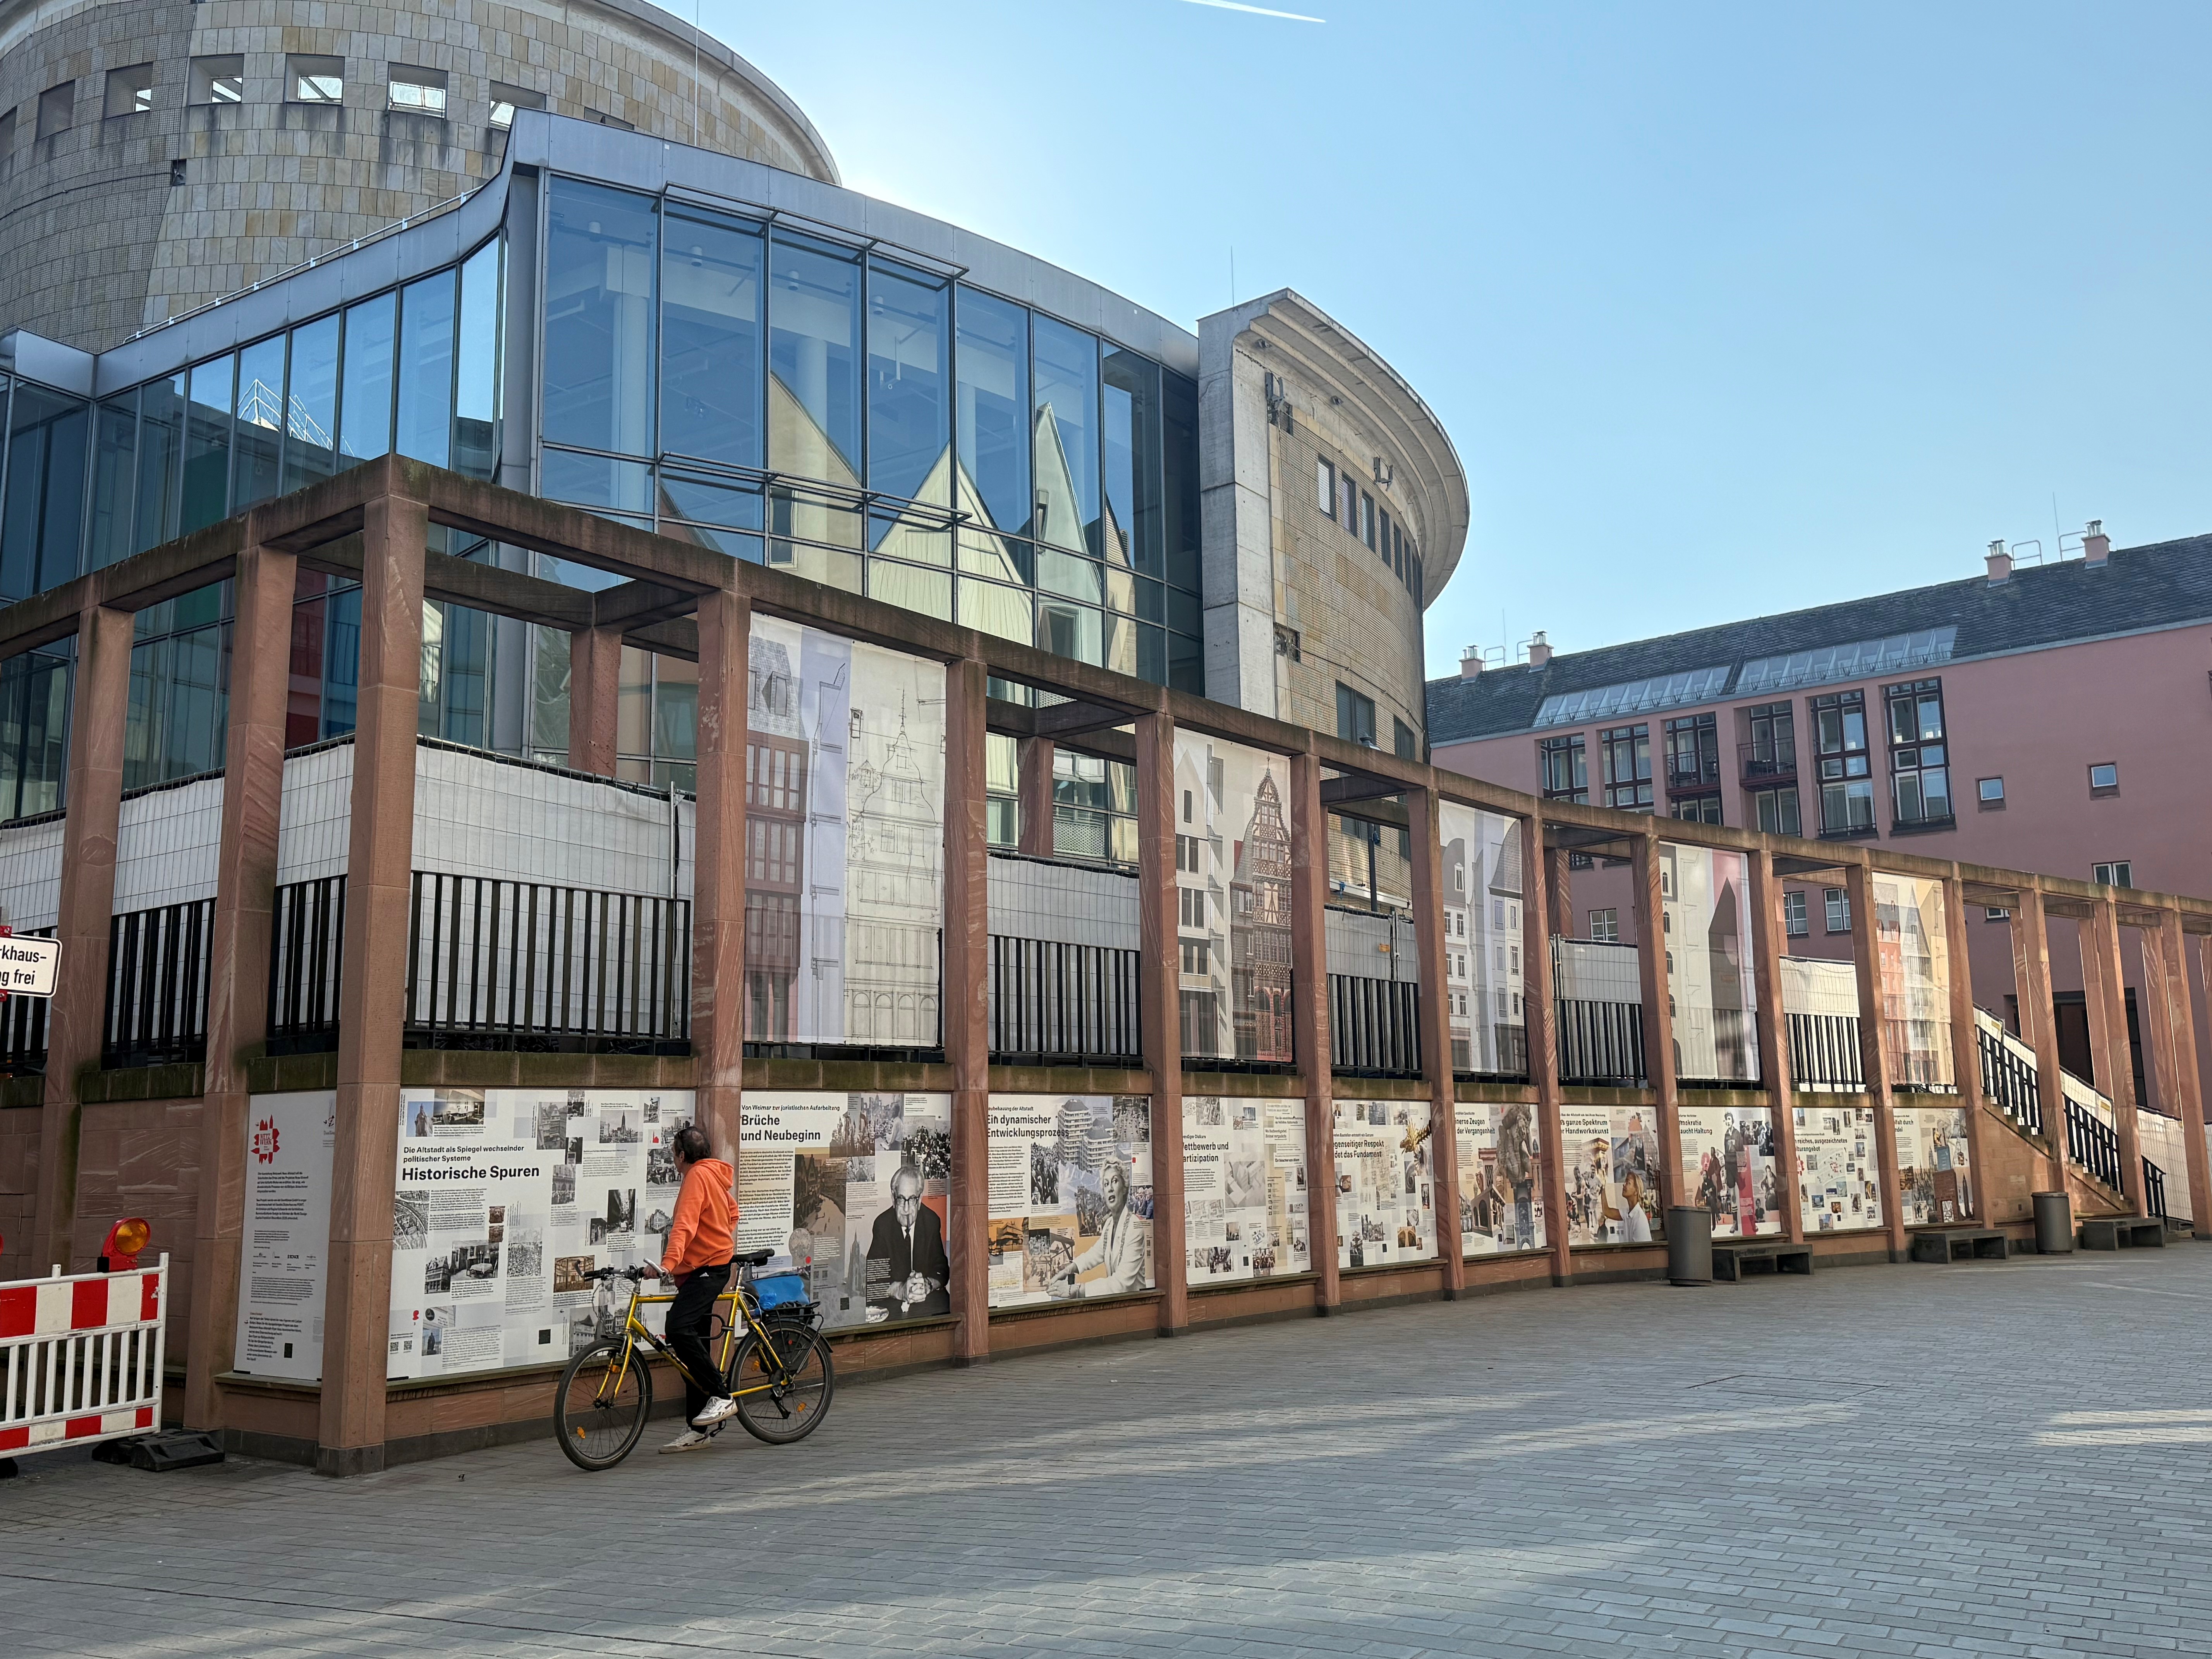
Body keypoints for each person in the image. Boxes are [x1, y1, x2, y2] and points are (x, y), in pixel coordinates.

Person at [650, 1123, 738, 1454]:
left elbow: (684, 1224)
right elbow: (733, 1212)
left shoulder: (697, 1177)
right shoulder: (715, 1174)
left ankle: (722, 1395)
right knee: (694, 1348)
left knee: (677, 1327)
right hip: (707, 1266)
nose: (674, 1161)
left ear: (682, 1156)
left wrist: (668, 1264)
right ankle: (698, 1430)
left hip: (707, 1270)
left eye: (674, 1155)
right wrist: (717, 1241)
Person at [864, 1165, 950, 1319]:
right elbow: (873, 1280)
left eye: (912, 1200)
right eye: (901, 1199)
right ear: (893, 1198)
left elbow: (942, 1269)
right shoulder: (882, 1225)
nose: (906, 1209)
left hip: (927, 1308)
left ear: (920, 1199)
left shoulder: (931, 1221)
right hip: (893, 1312)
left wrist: (927, 1285)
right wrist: (900, 1290)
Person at [1051, 1163, 1147, 1298]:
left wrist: (1077, 1290)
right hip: (1118, 1304)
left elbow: (1121, 1284)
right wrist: (1071, 1267)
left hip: (1136, 1307)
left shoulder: (1134, 1227)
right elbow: (1095, 1254)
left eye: (1115, 1181)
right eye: (1106, 1184)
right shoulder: (1109, 1224)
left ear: (1125, 1188)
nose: (1110, 1189)